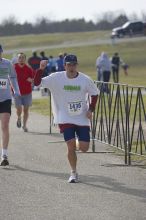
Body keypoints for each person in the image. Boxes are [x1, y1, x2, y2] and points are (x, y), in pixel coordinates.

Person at [34, 54, 99, 183]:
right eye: (69, 64)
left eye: (74, 64)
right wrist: (40, 69)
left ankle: (76, 142)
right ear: (64, 66)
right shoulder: (56, 78)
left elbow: (95, 93)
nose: (71, 67)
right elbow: (37, 83)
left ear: (77, 65)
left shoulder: (85, 79)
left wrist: (91, 109)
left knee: (84, 148)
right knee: (70, 146)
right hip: (64, 116)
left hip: (81, 117)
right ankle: (73, 173)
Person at [0, 45, 20, 166]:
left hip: (5, 98)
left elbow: (13, 77)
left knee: (5, 125)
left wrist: (16, 90)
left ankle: (4, 155)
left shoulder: (7, 63)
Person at [14, 53, 35, 132]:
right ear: (17, 59)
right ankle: (19, 117)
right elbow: (9, 77)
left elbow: (33, 80)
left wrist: (31, 80)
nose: (21, 59)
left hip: (27, 92)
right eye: (20, 57)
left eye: (23, 58)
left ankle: (24, 125)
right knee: (19, 108)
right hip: (17, 92)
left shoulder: (29, 69)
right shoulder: (13, 67)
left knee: (26, 110)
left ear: (25, 59)